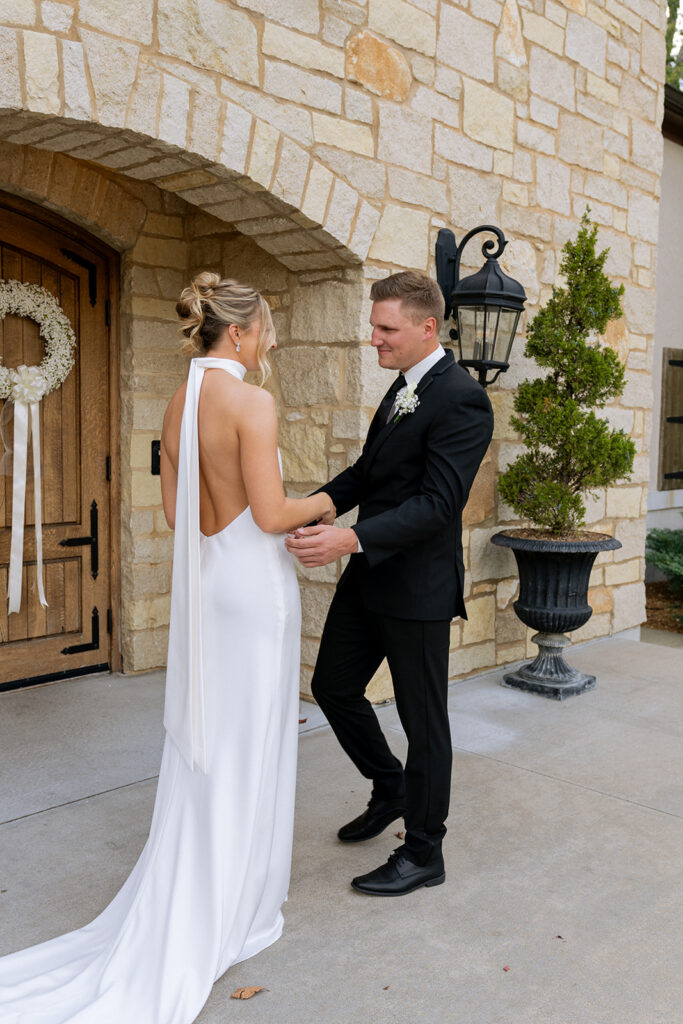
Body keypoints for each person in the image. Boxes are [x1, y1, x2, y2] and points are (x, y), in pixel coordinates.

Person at [0, 273, 335, 1023]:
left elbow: (183, 518)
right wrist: (335, 496)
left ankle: (212, 884)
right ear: (240, 333)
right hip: (255, 591)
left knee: (216, 741)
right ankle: (241, 904)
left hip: (213, 587)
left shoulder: (179, 403)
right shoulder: (251, 401)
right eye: (270, 328)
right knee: (253, 742)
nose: (274, 341)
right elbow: (275, 512)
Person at [286, 271, 493, 897]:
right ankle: (391, 787)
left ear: (427, 328)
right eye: (374, 327)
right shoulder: (402, 388)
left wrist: (348, 538)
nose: (373, 339)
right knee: (332, 687)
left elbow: (438, 503)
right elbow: (368, 472)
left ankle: (425, 851)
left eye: (386, 329)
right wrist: (306, 505)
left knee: (423, 721)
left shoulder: (462, 398)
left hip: (418, 588)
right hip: (370, 575)